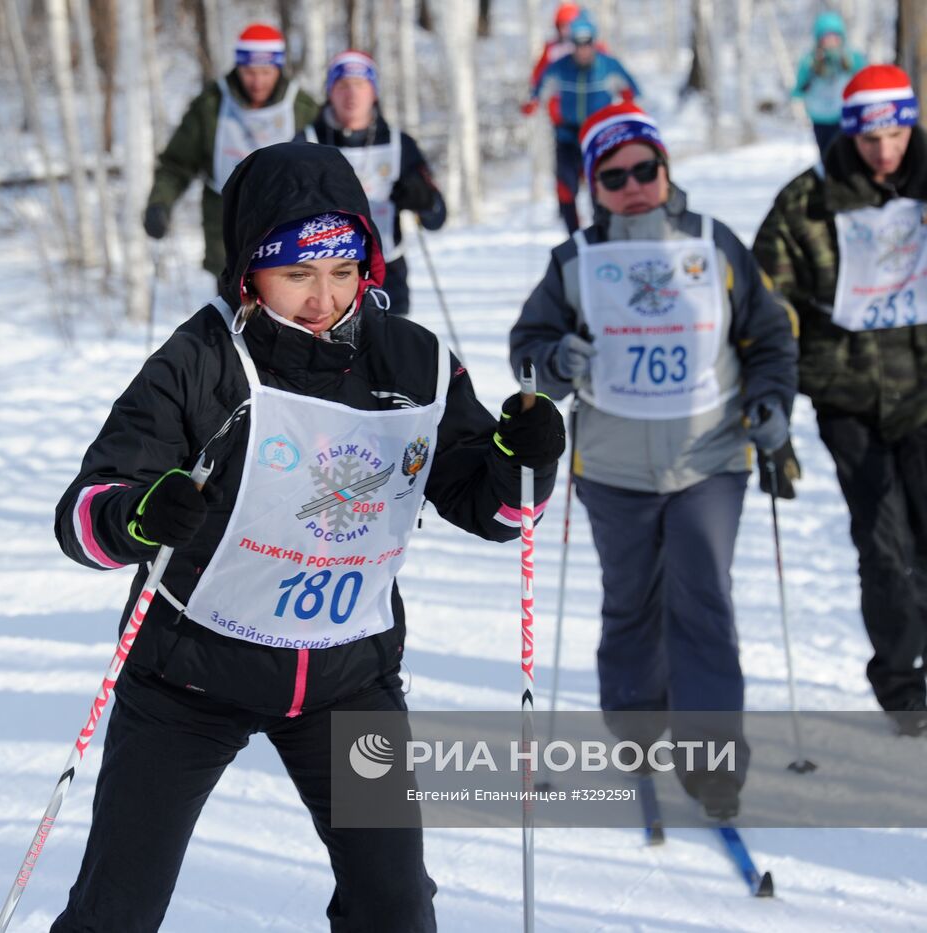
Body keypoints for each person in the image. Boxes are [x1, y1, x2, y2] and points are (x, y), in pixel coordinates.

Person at [50, 142, 564, 931]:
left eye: (343, 271)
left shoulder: (414, 361)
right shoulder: (201, 361)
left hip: (343, 678)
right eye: (297, 274)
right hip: (189, 675)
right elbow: (84, 515)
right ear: (249, 271)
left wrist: (522, 461)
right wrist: (140, 515)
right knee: (117, 908)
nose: (324, 297)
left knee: (395, 908)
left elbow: (490, 510)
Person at [510, 100, 798, 818]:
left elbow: (769, 336)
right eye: (616, 175)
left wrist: (770, 403)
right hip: (614, 468)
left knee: (703, 601)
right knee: (632, 600)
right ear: (592, 185)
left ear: (667, 170)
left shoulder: (714, 243)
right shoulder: (574, 262)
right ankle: (637, 728)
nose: (634, 183)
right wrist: (554, 359)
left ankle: (712, 760)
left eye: (647, 168)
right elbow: (527, 354)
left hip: (710, 458)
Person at [754, 65, 927, 737]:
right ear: (850, 134)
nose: (883, 150)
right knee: (881, 548)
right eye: (870, 138)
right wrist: (772, 389)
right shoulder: (807, 203)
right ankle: (900, 684)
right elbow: (768, 300)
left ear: (909, 123)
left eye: (895, 132)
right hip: (847, 394)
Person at [142, 23, 319, 278]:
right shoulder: (211, 106)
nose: (257, 82)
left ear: (278, 68)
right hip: (227, 233)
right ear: (238, 67)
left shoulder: (301, 108)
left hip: (289, 232)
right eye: (249, 72)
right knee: (232, 310)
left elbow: (325, 170)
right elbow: (176, 164)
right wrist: (160, 203)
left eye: (265, 72)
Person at [302, 50, 447, 315]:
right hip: (323, 274)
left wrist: (422, 199)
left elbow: (436, 218)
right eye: (343, 85)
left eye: (360, 85)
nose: (352, 94)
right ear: (330, 92)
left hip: (387, 271)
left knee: (389, 352)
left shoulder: (399, 143)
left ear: (374, 92)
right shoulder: (307, 140)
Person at [535, 10, 642, 232]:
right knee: (565, 187)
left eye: (587, 44)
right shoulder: (560, 66)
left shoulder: (607, 65)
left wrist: (629, 108)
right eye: (578, 44)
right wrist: (532, 102)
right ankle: (573, 236)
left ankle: (601, 231)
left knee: (601, 185)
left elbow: (632, 90)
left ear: (594, 42)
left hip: (598, 136)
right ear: (571, 44)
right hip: (567, 134)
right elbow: (540, 87)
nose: (583, 50)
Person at [791, 11, 867, 157]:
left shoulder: (852, 57)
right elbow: (799, 87)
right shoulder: (810, 60)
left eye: (834, 35)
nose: (831, 40)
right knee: (827, 155)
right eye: (826, 36)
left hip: (847, 115)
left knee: (849, 155)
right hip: (820, 118)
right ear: (819, 38)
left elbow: (864, 81)